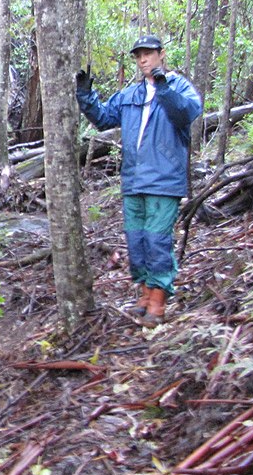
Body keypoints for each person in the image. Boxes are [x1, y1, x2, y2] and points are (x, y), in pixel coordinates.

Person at [75, 34, 202, 326]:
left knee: (157, 240)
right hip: (133, 180)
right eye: (138, 55)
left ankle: (158, 300)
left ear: (161, 54)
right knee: (137, 241)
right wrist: (85, 95)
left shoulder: (178, 87)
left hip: (164, 180)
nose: (143, 59)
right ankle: (144, 294)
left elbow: (186, 114)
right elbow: (105, 118)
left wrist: (163, 87)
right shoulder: (130, 95)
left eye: (148, 54)